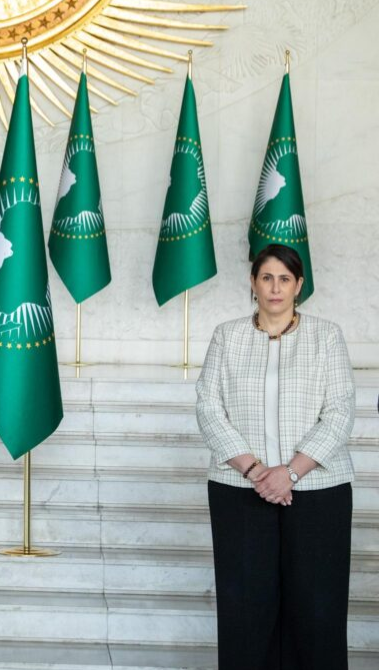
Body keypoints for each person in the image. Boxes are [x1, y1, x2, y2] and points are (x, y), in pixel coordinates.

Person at [196, 243, 355, 670]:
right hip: (239, 490)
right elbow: (209, 409)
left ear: (299, 285)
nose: (275, 288)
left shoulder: (326, 336)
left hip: (319, 491)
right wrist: (256, 471)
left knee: (317, 610)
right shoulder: (226, 336)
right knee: (246, 611)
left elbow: (340, 413)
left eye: (285, 279)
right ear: (253, 283)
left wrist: (290, 473)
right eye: (266, 277)